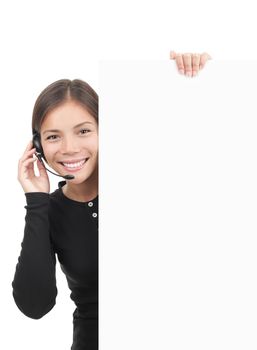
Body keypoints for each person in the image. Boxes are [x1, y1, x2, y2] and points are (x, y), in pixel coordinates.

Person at [11, 52, 211, 350]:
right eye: (53, 137)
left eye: (84, 131)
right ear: (38, 146)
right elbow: (34, 305)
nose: (70, 148)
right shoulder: (49, 210)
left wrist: (193, 71)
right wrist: (36, 200)